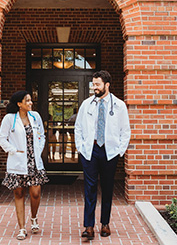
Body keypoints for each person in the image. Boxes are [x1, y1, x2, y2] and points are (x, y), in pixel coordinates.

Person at [74, 70, 131, 240]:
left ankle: (105, 224)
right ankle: (89, 226)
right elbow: (78, 127)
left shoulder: (119, 105)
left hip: (109, 152)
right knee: (89, 189)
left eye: (98, 84)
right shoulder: (86, 104)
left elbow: (125, 131)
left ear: (107, 85)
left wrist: (119, 151)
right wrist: (80, 148)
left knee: (107, 188)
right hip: (90, 151)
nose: (95, 87)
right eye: (94, 84)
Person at [0, 90, 49, 240]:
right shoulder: (9, 119)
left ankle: (33, 217)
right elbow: (2, 138)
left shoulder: (35, 116)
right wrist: (13, 150)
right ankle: (21, 228)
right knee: (19, 194)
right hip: (18, 162)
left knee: (35, 193)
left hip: (34, 163)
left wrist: (39, 150)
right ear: (19, 104)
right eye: (27, 101)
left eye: (30, 100)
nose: (30, 103)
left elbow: (41, 135)